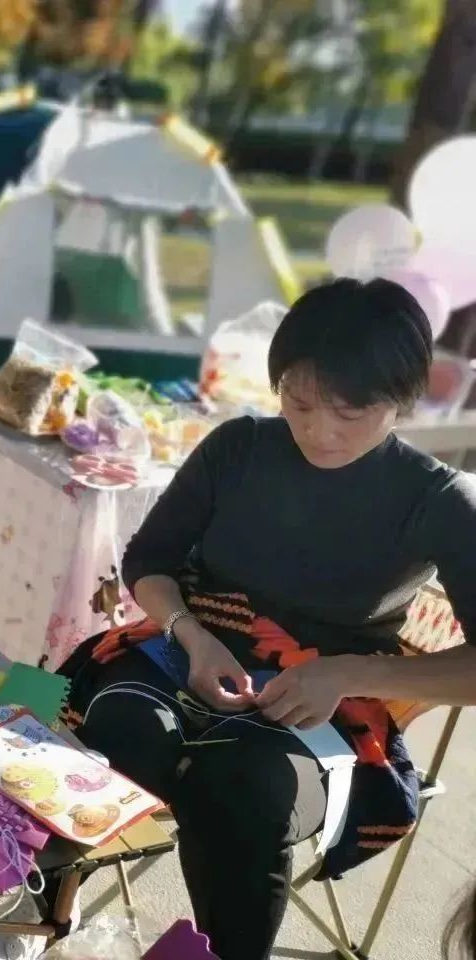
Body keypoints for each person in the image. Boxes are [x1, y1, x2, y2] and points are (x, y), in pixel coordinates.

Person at [42, 278, 476, 960]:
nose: (320, 432)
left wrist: (344, 673)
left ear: (401, 399)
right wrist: (191, 634)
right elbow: (149, 561)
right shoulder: (239, 447)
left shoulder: (438, 500)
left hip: (319, 709)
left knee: (244, 791)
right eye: (299, 404)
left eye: (350, 413)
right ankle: (37, 922)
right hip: (177, 658)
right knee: (117, 736)